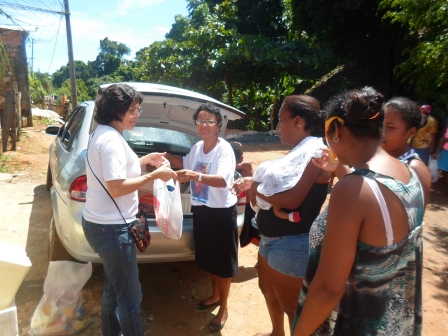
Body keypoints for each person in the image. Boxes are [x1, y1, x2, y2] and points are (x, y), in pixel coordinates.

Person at [293, 87, 424, 335]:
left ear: (336, 131)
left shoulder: (352, 190)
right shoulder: (411, 172)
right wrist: (338, 168)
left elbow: (329, 288)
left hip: (355, 324)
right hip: (391, 322)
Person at [232, 95, 330, 336]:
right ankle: (277, 333)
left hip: (292, 243)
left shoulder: (317, 153)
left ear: (297, 121)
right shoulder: (297, 152)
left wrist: (256, 188)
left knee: (293, 310)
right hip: (270, 240)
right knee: (267, 290)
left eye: (280, 120)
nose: (277, 126)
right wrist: (255, 184)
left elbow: (292, 199)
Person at [82, 84, 176, 336]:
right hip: (112, 229)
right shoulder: (111, 140)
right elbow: (116, 187)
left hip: (100, 224)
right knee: (131, 297)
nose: (137, 114)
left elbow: (119, 170)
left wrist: (145, 160)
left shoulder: (103, 133)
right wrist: (155, 175)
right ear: (115, 110)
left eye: (137, 109)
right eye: (131, 110)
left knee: (113, 289)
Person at [164, 102, 237, 332]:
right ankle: (215, 295)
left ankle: (224, 308)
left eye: (209, 121)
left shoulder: (224, 149)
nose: (204, 125)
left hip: (221, 214)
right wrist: (164, 156)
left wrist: (194, 176)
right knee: (210, 260)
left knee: (223, 265)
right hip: (202, 211)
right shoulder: (197, 148)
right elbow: (183, 163)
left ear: (218, 125)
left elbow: (223, 180)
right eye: (200, 121)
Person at [382, 97, 431, 205]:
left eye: (390, 127)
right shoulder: (376, 156)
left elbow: (413, 218)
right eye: (380, 125)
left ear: (411, 133)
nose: (382, 132)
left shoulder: (414, 169)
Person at [230, 141, 260, 248]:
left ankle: (266, 254)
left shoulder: (246, 165)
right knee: (248, 235)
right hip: (244, 205)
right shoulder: (239, 165)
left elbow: (232, 165)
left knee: (253, 235)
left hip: (250, 205)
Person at [434, 117, 448, 193]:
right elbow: (442, 139)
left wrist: (446, 140)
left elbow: (444, 139)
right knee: (444, 170)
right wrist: (437, 152)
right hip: (445, 151)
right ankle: (447, 187)